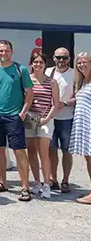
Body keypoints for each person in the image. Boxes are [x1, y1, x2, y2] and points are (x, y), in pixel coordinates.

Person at [0, 39, 33, 202]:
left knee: (19, 151)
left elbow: (29, 93)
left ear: (11, 52)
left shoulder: (21, 70)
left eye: (6, 50)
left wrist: (23, 112)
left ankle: (25, 187)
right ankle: (2, 182)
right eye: (0, 51)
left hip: (14, 116)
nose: (3, 53)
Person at [26, 52, 59, 199]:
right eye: (35, 62)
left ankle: (47, 184)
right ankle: (37, 182)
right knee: (31, 152)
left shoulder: (51, 82)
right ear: (31, 63)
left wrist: (47, 119)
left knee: (44, 153)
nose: (38, 65)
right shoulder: (27, 80)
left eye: (41, 62)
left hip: (45, 119)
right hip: (30, 118)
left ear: (45, 65)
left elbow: (55, 104)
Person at [47, 47, 75, 192]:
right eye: (58, 57)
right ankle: (53, 179)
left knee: (66, 150)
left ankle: (65, 180)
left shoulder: (75, 74)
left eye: (64, 58)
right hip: (50, 118)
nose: (61, 60)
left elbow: (79, 96)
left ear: (69, 59)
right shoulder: (48, 72)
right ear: (54, 58)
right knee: (51, 150)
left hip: (67, 118)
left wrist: (64, 103)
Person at [68, 52, 91, 205]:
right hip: (84, 124)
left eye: (84, 61)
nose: (81, 64)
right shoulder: (82, 82)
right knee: (88, 158)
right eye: (79, 62)